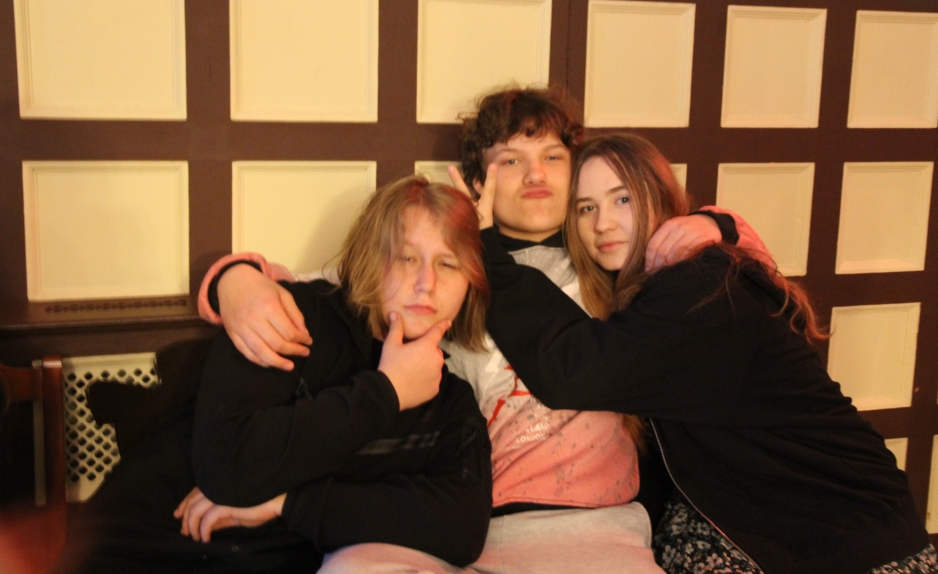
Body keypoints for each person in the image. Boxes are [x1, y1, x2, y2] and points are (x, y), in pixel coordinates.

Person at [197, 86, 770, 572]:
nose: (535, 174)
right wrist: (234, 279)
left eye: (552, 156)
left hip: (591, 524)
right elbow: (338, 284)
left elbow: (749, 280)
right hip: (450, 516)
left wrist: (715, 224)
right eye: (510, 161)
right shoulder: (446, 261)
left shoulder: (609, 259)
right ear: (477, 179)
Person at [470, 132, 938, 574]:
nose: (603, 223)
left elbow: (578, 370)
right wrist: (720, 222)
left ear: (661, 201)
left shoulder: (702, 284)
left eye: (623, 199)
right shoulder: (653, 286)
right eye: (586, 207)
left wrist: (488, 255)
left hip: (842, 528)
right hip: (749, 514)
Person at [62, 176, 492, 574]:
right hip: (145, 550)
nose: (426, 283)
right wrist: (387, 391)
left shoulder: (450, 401)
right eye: (406, 258)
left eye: (448, 264)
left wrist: (290, 503)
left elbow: (462, 527)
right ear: (370, 259)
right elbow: (228, 467)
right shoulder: (292, 317)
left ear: (469, 285)